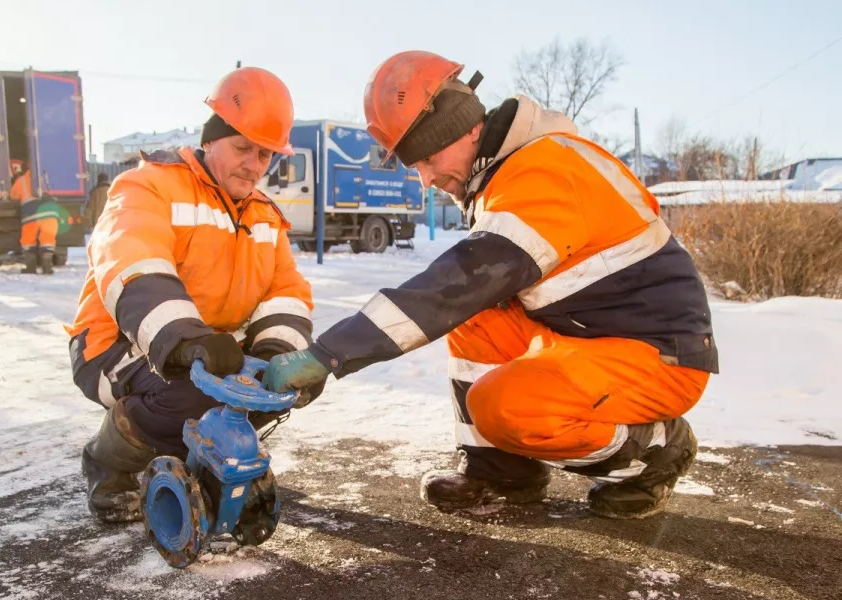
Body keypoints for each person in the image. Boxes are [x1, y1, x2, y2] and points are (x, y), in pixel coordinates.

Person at [264, 50, 719, 520]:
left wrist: (329, 354)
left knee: (503, 405)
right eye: (414, 165)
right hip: (589, 336)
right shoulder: (506, 175)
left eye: (427, 157)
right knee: (477, 316)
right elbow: (469, 296)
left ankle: (658, 449)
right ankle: (500, 469)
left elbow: (452, 286)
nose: (426, 179)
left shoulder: (541, 174)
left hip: (660, 355)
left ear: (468, 129)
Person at [67, 67, 317, 525]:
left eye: (265, 155)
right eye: (242, 148)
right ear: (210, 139)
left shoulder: (265, 215)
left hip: (205, 349)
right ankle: (109, 463)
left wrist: (278, 354)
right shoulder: (147, 186)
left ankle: (205, 465)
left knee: (263, 388)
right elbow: (132, 260)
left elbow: (285, 293)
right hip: (118, 344)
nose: (254, 164)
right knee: (189, 393)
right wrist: (185, 339)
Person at [10, 159, 58, 275]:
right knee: (47, 240)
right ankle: (47, 268)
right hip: (50, 213)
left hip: (31, 214)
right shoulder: (47, 178)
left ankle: (30, 267)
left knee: (28, 241)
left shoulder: (21, 180)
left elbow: (12, 196)